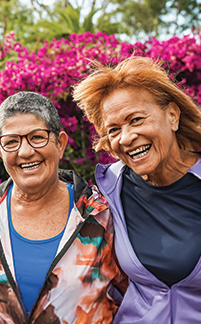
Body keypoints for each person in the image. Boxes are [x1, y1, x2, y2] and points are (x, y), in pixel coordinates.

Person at [0, 91, 126, 324]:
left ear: (60, 143)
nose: (25, 151)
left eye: (37, 137)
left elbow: (137, 296)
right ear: (0, 151)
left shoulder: (100, 215)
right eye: (12, 142)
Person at [73, 56, 201, 323]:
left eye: (136, 120)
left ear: (173, 116)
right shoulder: (108, 190)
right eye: (114, 130)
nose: (127, 137)